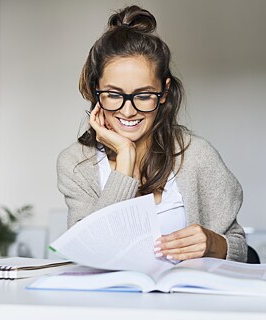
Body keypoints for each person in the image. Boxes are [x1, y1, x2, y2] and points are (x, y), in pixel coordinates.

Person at [57, 5, 247, 262]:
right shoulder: (76, 164)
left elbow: (240, 249)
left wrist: (214, 244)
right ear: (96, 91)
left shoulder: (196, 155)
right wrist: (126, 158)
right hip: (106, 301)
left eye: (144, 95)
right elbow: (91, 253)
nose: (128, 111)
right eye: (113, 95)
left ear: (164, 92)